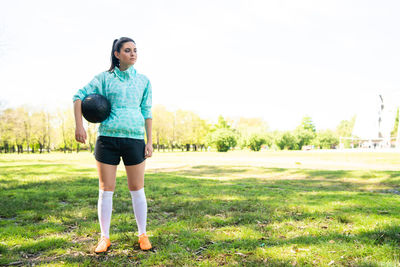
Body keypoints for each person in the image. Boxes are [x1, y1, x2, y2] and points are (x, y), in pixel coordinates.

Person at [72, 37, 153, 253]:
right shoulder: (104, 78)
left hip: (135, 139)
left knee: (137, 189)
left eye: (135, 50)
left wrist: (150, 141)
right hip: (107, 139)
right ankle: (104, 237)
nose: (133, 54)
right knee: (106, 190)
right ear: (117, 54)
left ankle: (142, 234)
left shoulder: (144, 81)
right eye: (128, 50)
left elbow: (147, 111)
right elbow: (78, 96)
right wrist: (79, 126)